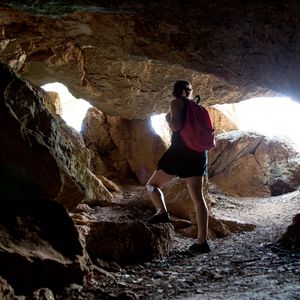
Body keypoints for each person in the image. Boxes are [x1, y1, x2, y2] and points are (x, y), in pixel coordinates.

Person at [145, 80, 210, 253]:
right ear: (189, 92)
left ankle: (162, 213)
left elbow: (177, 127)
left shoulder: (176, 103)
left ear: (176, 91)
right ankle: (202, 242)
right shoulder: (199, 108)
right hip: (198, 153)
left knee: (152, 186)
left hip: (180, 152)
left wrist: (168, 119)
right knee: (198, 197)